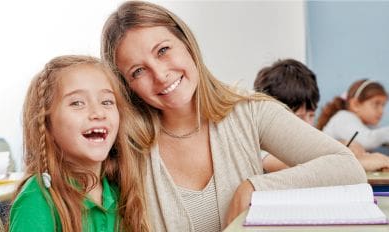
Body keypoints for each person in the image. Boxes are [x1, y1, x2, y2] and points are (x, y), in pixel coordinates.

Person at [101, 1, 366, 230]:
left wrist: (255, 187)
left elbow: (347, 167)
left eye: (163, 50)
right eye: (138, 71)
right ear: (127, 87)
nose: (160, 75)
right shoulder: (124, 143)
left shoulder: (249, 112)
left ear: (186, 43)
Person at [8, 55, 149, 232]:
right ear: (47, 124)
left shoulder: (116, 193)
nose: (98, 112)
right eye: (77, 103)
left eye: (107, 101)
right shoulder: (37, 200)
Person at [254, 58, 389, 172]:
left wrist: (341, 146)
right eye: (300, 117)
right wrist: (359, 163)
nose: (307, 125)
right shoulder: (261, 148)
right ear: (270, 116)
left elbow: (311, 154)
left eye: (311, 115)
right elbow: (300, 166)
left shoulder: (302, 143)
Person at [317, 79, 389, 153]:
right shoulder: (343, 117)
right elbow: (366, 140)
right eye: (376, 104)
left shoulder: (367, 126)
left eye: (383, 105)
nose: (381, 111)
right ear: (355, 105)